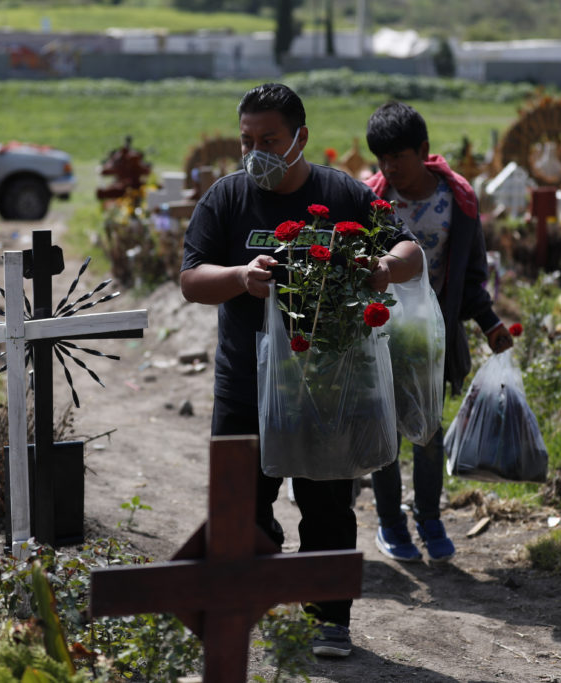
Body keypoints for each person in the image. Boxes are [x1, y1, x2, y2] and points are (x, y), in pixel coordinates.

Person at [180, 84, 422, 658]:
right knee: (241, 509)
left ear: (301, 139)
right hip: (246, 387)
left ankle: (327, 618)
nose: (255, 152)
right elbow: (191, 280)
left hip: (328, 389)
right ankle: (250, 604)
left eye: (269, 140)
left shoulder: (343, 194)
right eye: (247, 140)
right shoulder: (227, 197)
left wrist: (384, 266)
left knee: (328, 506)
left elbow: (409, 251)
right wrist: (240, 277)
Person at [364, 101, 514, 564]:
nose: (390, 168)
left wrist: (490, 324)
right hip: (380, 334)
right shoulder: (372, 200)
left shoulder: (457, 202)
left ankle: (429, 516)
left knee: (428, 431)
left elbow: (469, 280)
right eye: (382, 159)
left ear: (424, 151)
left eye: (399, 158)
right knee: (385, 433)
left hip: (432, 340)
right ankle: (391, 523)